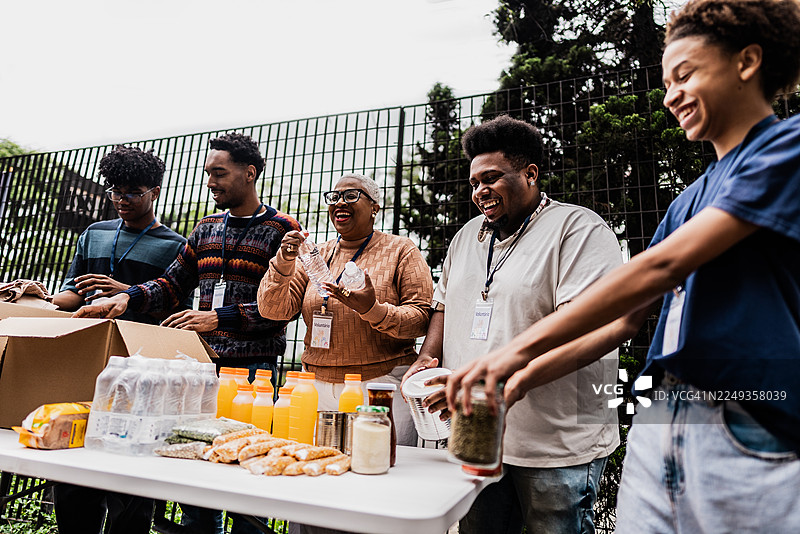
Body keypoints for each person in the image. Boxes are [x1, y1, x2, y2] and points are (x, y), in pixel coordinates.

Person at [446, 0, 800, 532]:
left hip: (748, 418)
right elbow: (626, 317)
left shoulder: (785, 151)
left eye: (685, 74)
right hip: (662, 418)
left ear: (747, 62)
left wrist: (512, 354)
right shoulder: (688, 200)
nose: (671, 95)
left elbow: (660, 268)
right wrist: (521, 379)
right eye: (665, 82)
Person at [403, 114, 622, 533]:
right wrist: (428, 356)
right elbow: (443, 304)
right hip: (476, 433)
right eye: (473, 183)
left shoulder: (577, 230)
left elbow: (584, 326)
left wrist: (505, 373)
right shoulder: (468, 236)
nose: (480, 191)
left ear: (531, 173)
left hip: (556, 441)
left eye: (491, 178)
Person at [75, 132, 300, 534]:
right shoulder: (206, 227)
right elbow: (172, 284)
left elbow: (283, 308)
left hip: (253, 373)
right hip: (202, 369)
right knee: (199, 472)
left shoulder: (283, 230)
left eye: (219, 173)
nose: (210, 182)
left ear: (249, 174)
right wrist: (128, 297)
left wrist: (220, 318)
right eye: (207, 173)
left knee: (246, 468)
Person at [52, 145, 187, 534]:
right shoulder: (94, 233)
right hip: (83, 362)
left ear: (154, 193)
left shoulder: (174, 246)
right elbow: (71, 291)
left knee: (130, 486)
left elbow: (175, 314)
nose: (121, 200)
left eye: (133, 192)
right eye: (114, 190)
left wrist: (126, 291)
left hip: (136, 372)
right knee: (73, 472)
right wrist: (40, 298)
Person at [258, 173, 433, 448]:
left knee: (378, 472)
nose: (340, 202)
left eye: (352, 195)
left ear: (375, 207)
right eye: (335, 197)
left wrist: (374, 310)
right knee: (319, 472)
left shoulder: (401, 250)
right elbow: (272, 310)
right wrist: (283, 263)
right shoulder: (315, 254)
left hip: (379, 385)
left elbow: (422, 318)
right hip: (316, 385)